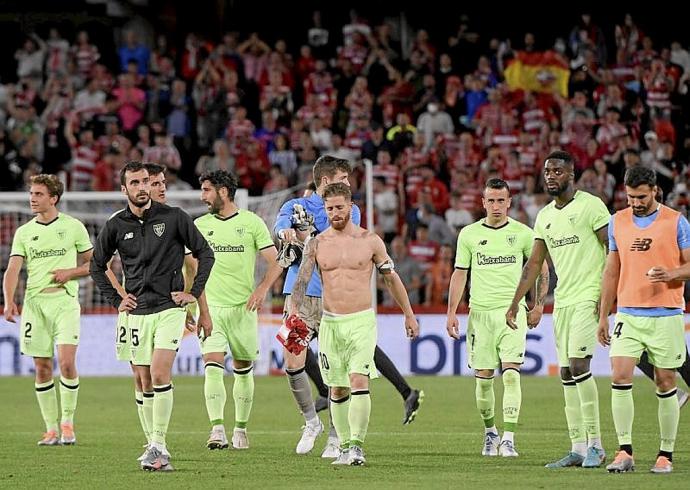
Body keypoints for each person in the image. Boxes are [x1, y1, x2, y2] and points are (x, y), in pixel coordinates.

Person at [274, 156, 423, 459]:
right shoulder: (292, 207)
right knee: (292, 362)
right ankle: (311, 422)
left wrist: (306, 234)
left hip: (340, 302)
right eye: (344, 178)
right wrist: (287, 234)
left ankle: (339, 439)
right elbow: (281, 232)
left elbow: (342, 238)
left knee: (347, 377)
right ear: (326, 181)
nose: (349, 186)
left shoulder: (348, 209)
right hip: (301, 297)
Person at [90, 161, 215, 471]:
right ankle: (152, 444)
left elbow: (205, 254)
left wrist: (192, 295)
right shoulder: (117, 225)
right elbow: (96, 265)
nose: (142, 187)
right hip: (135, 313)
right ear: (124, 189)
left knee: (159, 373)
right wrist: (116, 299)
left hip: (169, 309)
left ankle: (159, 444)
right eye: (135, 182)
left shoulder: (174, 218)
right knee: (142, 378)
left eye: (145, 181)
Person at [506, 150, 609, 468]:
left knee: (580, 365)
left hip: (589, 296)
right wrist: (516, 304)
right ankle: (578, 448)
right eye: (547, 171)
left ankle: (597, 445)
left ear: (571, 175)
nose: (551, 176)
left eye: (558, 171)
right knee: (566, 372)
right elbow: (534, 264)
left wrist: (607, 299)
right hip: (562, 301)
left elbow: (612, 251)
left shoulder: (591, 206)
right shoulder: (545, 215)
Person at [447, 178, 549, 458]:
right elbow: (460, 274)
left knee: (512, 376)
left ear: (509, 202)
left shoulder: (524, 234)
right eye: (490, 200)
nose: (495, 206)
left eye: (500, 200)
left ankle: (509, 438)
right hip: (479, 315)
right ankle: (491, 432)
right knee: (483, 380)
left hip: (512, 314)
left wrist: (538, 305)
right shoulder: (468, 234)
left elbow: (541, 269)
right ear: (483, 203)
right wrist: (451, 311)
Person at [598, 165, 690, 474]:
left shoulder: (676, 222)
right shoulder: (617, 222)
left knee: (666, 381)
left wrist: (672, 274)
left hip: (666, 314)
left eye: (641, 197)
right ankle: (624, 451)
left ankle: (665, 455)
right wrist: (603, 314)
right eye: (630, 197)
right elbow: (612, 270)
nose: (635, 203)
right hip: (628, 313)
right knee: (619, 375)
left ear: (654, 192)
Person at [195, 170, 283, 450]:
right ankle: (217, 429)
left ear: (223, 191)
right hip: (212, 309)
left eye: (207, 190)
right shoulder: (198, 225)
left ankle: (241, 429)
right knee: (212, 366)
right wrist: (191, 304)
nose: (203, 197)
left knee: (243, 369)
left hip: (243, 309)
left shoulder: (251, 222)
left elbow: (277, 261)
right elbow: (190, 267)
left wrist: (261, 290)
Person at [3, 174, 93, 446]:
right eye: (31, 193)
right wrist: (8, 301)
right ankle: (50, 429)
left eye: (39, 194)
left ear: (53, 198)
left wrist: (71, 272)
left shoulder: (73, 226)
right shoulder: (24, 232)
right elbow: (13, 270)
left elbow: (95, 264)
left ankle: (67, 423)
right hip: (35, 305)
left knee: (66, 363)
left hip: (64, 303)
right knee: (42, 368)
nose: (32, 198)